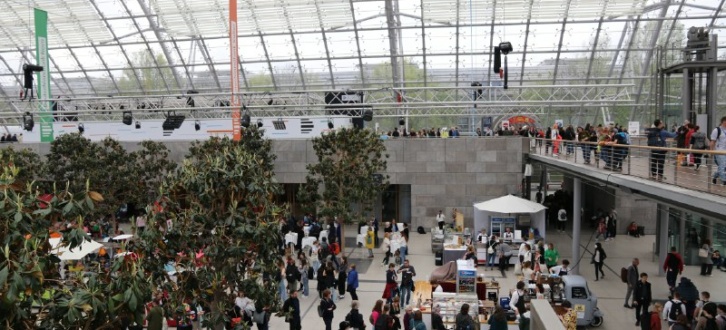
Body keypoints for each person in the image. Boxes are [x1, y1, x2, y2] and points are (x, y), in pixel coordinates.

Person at [709, 116, 726, 185]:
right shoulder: (717, 130)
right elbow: (712, 141)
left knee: (723, 166)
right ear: (723, 121)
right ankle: (724, 180)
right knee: (723, 165)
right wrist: (711, 151)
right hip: (719, 151)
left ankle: (715, 176)